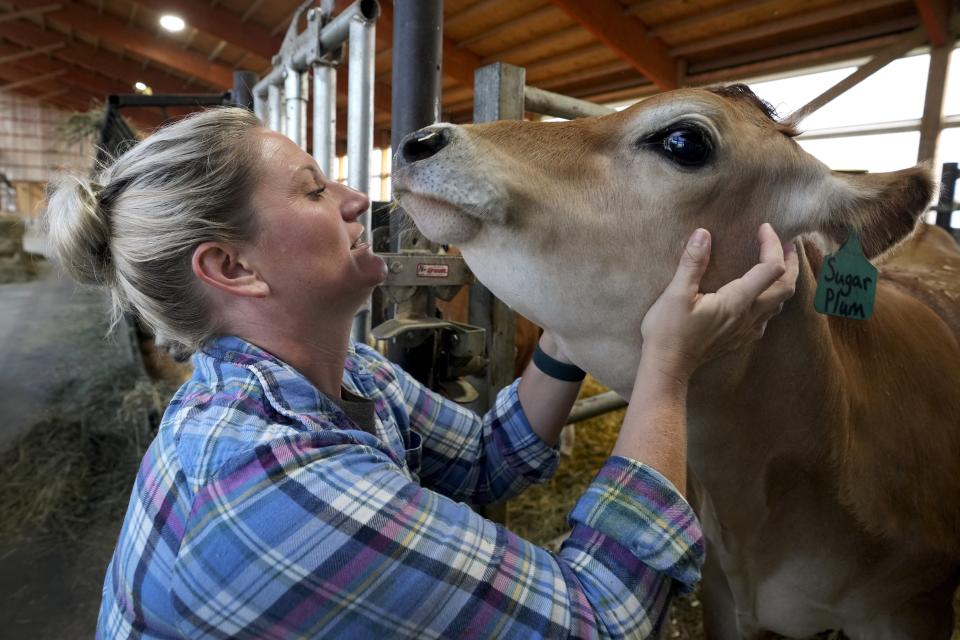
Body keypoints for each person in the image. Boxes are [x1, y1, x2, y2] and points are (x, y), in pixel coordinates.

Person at [46, 107, 798, 639]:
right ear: (234, 267)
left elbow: (483, 461)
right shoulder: (268, 483)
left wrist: (572, 325)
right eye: (314, 189)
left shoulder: (341, 377)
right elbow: (601, 621)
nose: (355, 199)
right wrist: (667, 370)